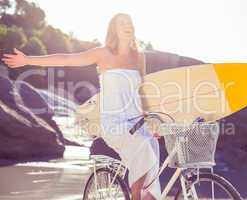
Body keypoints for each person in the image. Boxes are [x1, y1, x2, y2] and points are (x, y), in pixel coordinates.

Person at [2, 13, 161, 200]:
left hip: (136, 122)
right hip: (115, 123)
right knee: (142, 148)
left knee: (152, 148)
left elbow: (141, 91)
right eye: (122, 23)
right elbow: (66, 59)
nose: (127, 25)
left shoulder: (139, 57)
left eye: (129, 22)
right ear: (114, 30)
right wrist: (28, 60)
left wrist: (149, 116)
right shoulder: (103, 53)